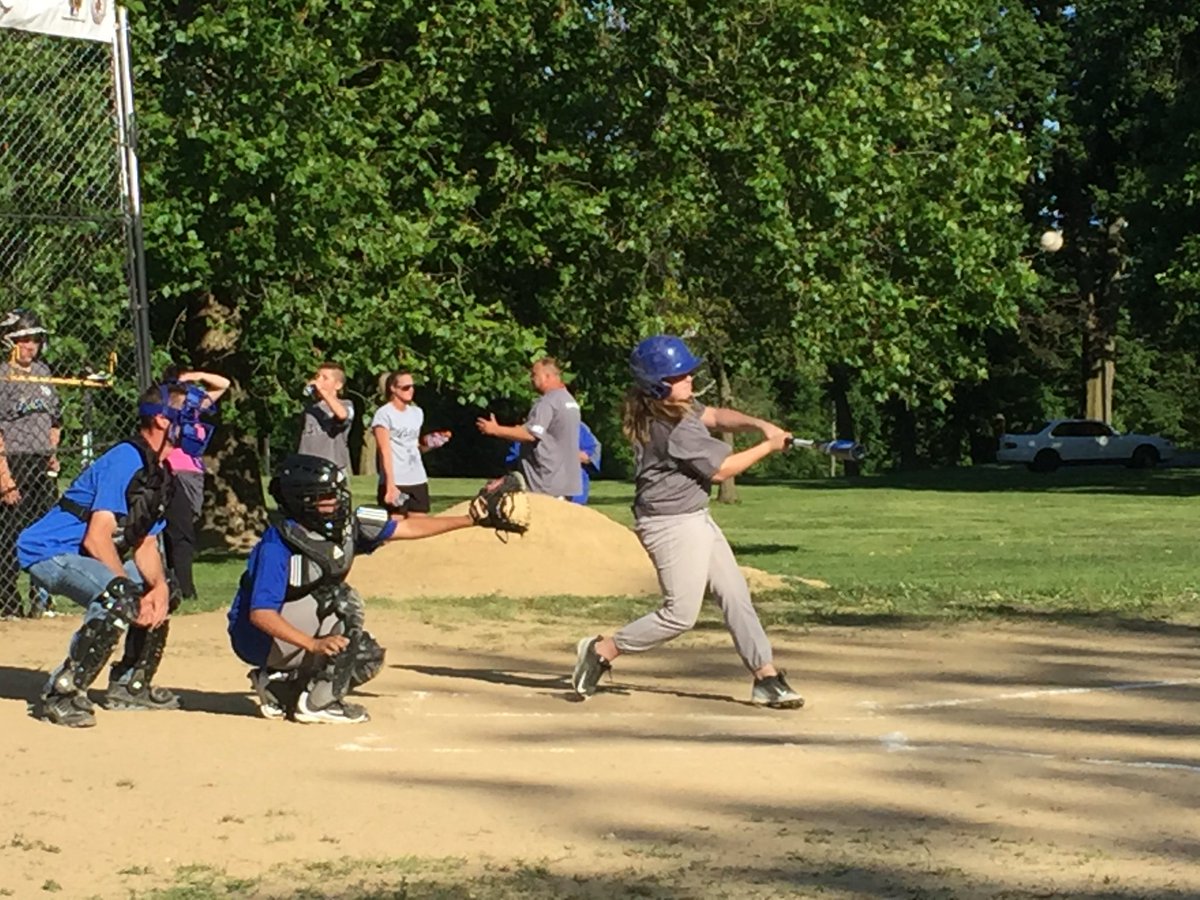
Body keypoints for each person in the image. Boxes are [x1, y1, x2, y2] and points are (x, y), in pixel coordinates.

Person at [570, 335, 805, 709]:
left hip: (694, 516)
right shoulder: (674, 428)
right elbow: (722, 470)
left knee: (734, 595)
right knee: (680, 615)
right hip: (669, 524)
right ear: (658, 385)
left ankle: (766, 678)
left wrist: (760, 424)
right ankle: (603, 650)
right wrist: (768, 447)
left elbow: (714, 415)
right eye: (682, 376)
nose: (691, 379)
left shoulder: (671, 408)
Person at [227, 454, 529, 724]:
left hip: (289, 625)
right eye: (326, 496)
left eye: (336, 493)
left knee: (365, 656)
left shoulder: (348, 524)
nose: (337, 500)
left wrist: (471, 519)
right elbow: (261, 613)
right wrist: (312, 644)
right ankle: (317, 703)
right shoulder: (277, 545)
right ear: (302, 500)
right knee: (343, 602)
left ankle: (280, 686)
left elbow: (407, 528)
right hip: (257, 638)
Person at [19, 383, 194, 727]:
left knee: (160, 589)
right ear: (161, 419)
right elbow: (98, 538)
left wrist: (156, 587)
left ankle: (130, 685)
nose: (195, 423)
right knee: (120, 596)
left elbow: (143, 540)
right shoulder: (126, 458)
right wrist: (129, 589)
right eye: (187, 414)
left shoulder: (159, 471)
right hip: (49, 551)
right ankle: (62, 693)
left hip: (83, 552)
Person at [0, 309, 62, 619]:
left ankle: (42, 598)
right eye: (23, 340)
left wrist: (52, 450)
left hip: (40, 462)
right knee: (10, 533)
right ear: (9, 342)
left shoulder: (43, 373)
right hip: (13, 461)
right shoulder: (3, 376)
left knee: (45, 531)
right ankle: (7, 601)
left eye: (35, 340)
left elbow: (56, 419)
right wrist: (4, 477)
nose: (30, 347)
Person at [161, 365, 230, 601]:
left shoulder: (193, 410)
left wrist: (197, 376)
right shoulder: (165, 411)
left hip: (194, 474)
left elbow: (224, 384)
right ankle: (184, 589)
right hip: (174, 472)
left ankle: (174, 584)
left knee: (185, 525)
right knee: (181, 534)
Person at [476, 358, 582, 499]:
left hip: (546, 482)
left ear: (547, 376)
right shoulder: (569, 401)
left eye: (534, 374)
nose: (531, 379)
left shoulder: (548, 402)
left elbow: (531, 434)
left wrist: (495, 429)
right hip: (566, 482)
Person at [371, 371, 450, 519]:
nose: (411, 390)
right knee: (395, 527)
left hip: (417, 478)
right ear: (393, 389)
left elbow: (415, 447)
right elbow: (384, 451)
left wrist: (432, 442)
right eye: (406, 387)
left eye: (413, 387)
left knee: (420, 527)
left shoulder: (417, 413)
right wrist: (390, 485)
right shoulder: (384, 414)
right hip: (396, 480)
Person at [504, 421, 601, 505]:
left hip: (570, 499)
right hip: (534, 496)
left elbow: (590, 455)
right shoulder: (527, 432)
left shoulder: (577, 427)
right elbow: (513, 464)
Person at [298, 362, 354, 476]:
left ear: (338, 385)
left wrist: (323, 392)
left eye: (325, 378)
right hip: (306, 466)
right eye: (317, 377)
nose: (319, 381)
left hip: (331, 466)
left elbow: (342, 415)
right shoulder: (310, 408)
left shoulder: (346, 404)